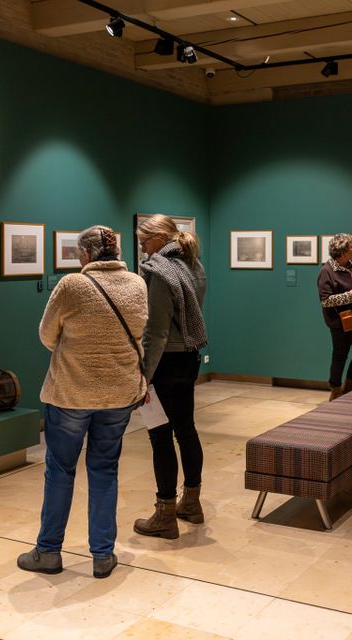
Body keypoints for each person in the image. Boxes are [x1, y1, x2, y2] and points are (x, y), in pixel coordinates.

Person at [17, 226, 147, 579]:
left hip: (71, 394)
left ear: (85, 255)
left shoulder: (72, 285)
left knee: (60, 471)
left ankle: (48, 552)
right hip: (119, 395)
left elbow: (47, 334)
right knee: (105, 471)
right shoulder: (137, 284)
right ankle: (103, 555)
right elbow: (139, 331)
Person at [133, 214, 208, 540]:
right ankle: (191, 502)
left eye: (144, 242)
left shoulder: (157, 272)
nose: (141, 249)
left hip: (164, 365)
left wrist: (143, 377)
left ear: (160, 238)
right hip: (189, 359)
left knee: (160, 437)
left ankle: (165, 514)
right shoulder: (193, 265)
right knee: (186, 431)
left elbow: (156, 332)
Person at [318, 233, 352, 401]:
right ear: (342, 252)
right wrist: (350, 295)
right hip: (340, 321)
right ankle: (335, 390)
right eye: (351, 246)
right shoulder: (327, 271)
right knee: (340, 355)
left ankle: (349, 388)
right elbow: (325, 301)